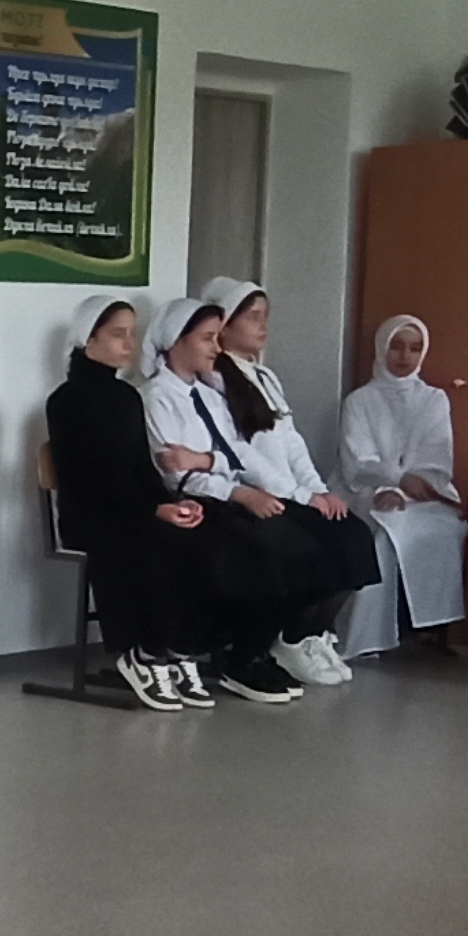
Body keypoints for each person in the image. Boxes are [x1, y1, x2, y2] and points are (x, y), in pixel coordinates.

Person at [198, 278, 384, 684]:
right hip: (258, 496)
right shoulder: (215, 380)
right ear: (225, 325)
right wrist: (300, 496)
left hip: (294, 493)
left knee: (354, 535)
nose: (263, 326)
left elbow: (291, 443)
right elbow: (243, 455)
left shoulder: (265, 377)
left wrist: (317, 490)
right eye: (253, 317)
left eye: (266, 316)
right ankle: (289, 638)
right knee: (316, 546)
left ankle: (311, 632)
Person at [44, 294, 222, 709]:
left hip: (133, 509)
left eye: (132, 333)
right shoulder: (66, 401)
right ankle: (140, 651)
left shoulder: (127, 397)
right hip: (91, 515)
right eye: (117, 334)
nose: (129, 343)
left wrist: (173, 503)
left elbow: (142, 468)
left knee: (204, 538)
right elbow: (87, 478)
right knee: (149, 542)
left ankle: (178, 646)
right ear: (89, 339)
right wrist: (152, 510)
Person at [136, 297, 306, 705]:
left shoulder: (210, 396)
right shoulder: (156, 397)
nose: (217, 347)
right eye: (207, 338)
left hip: (226, 493)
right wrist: (236, 490)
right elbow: (176, 474)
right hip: (193, 502)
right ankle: (222, 653)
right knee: (255, 553)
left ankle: (254, 650)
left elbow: (234, 455)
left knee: (297, 549)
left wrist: (208, 461)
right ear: (177, 340)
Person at [339, 314, 468, 658]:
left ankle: (426, 626)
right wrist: (389, 485)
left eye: (414, 348)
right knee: (383, 534)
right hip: (364, 492)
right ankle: (368, 636)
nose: (404, 356)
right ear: (382, 348)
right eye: (396, 346)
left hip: (422, 495)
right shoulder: (359, 401)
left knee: (440, 527)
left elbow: (436, 459)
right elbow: (357, 461)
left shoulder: (434, 399)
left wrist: (403, 490)